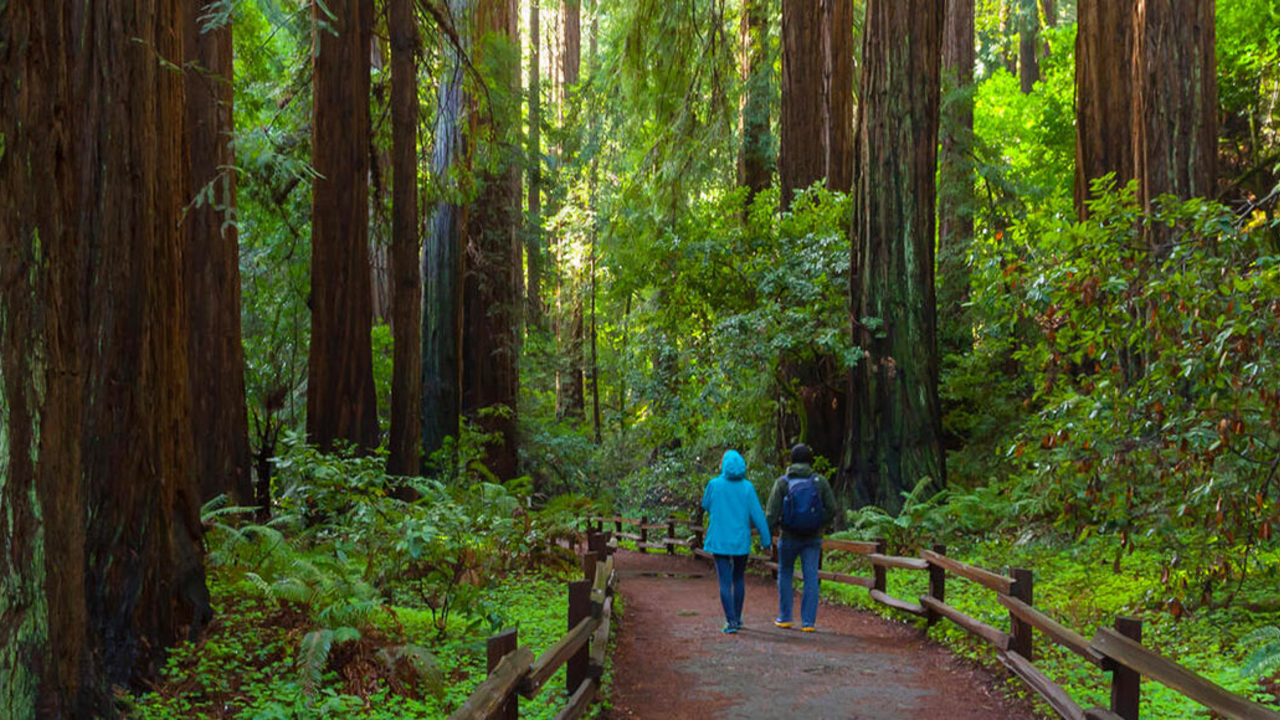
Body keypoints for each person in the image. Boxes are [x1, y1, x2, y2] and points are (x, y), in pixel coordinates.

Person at [766, 443, 837, 632]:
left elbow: (771, 513)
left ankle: (785, 617)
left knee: (785, 573)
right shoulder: (819, 482)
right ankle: (808, 623)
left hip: (788, 536)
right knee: (811, 576)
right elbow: (832, 508)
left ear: (792, 460)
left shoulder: (783, 482)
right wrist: (819, 523)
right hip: (813, 538)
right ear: (810, 461)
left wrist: (772, 529)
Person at [701, 449, 771, 634]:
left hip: (720, 541)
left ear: (723, 465)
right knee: (738, 578)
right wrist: (766, 540)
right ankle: (737, 618)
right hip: (740, 541)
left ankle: (730, 621)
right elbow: (758, 516)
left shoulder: (714, 485)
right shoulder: (747, 487)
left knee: (724, 582)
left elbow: (705, 505)